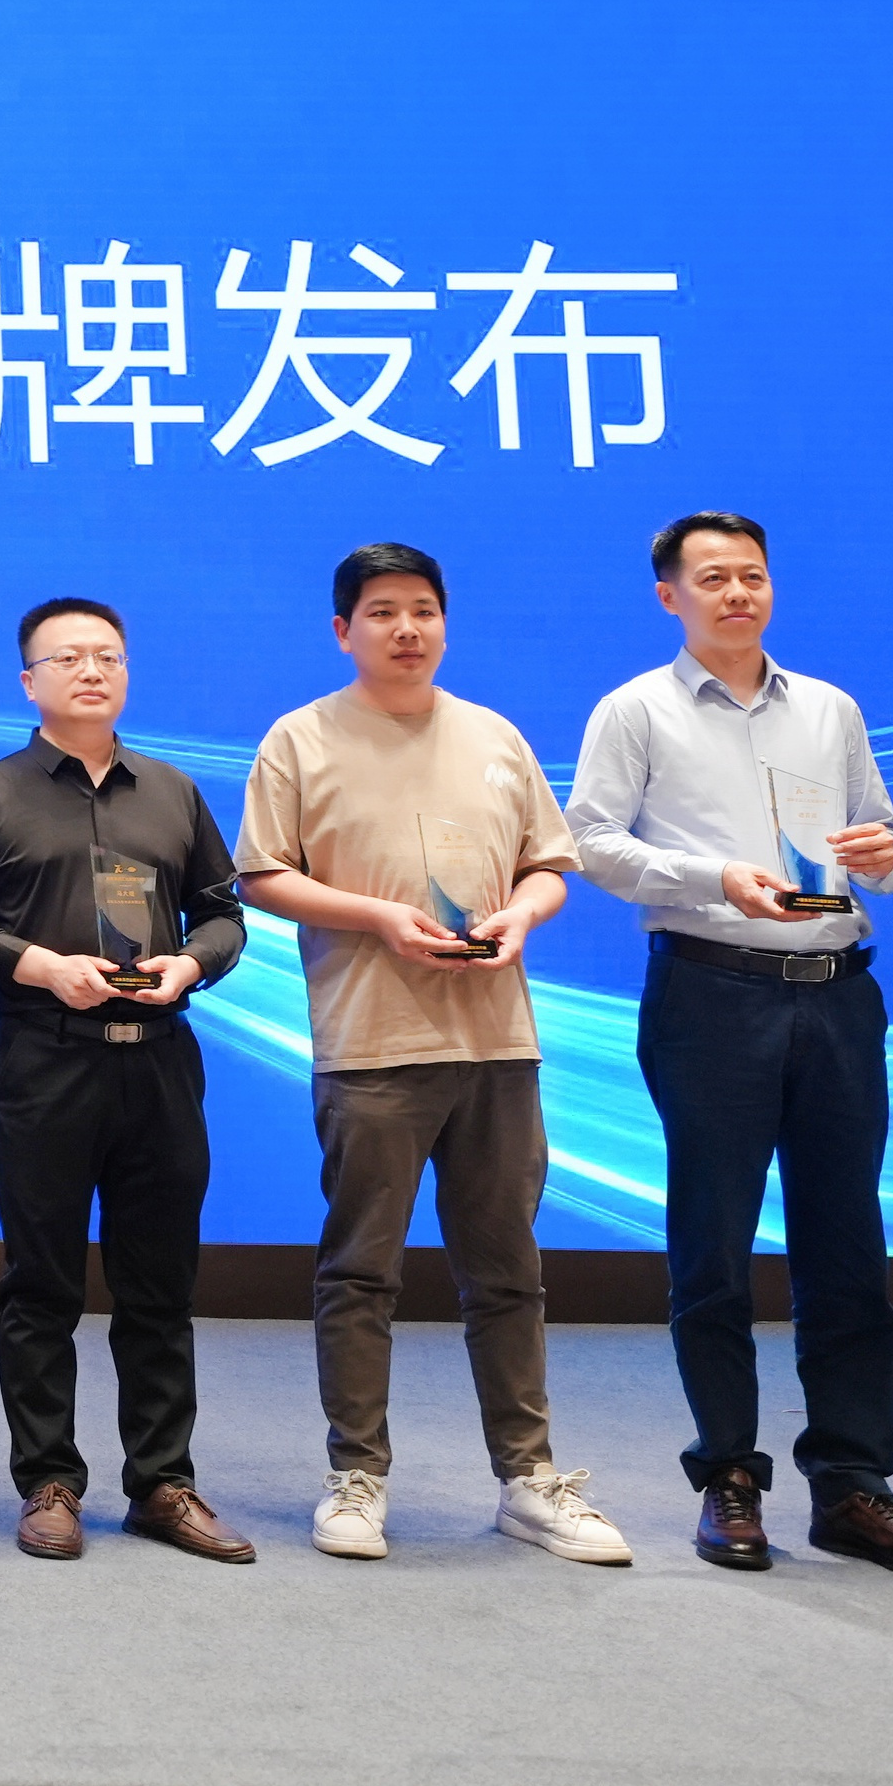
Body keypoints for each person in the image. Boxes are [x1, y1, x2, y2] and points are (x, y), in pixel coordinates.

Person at [567, 512, 893, 1579]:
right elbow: (589, 840)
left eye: (751, 574)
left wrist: (884, 858)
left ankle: (853, 1483)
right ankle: (729, 1477)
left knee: (850, 1247)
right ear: (670, 596)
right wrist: (713, 877)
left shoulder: (829, 706)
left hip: (837, 994)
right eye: (712, 578)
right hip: (712, 991)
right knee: (713, 1243)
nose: (737, 592)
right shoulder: (636, 708)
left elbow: (885, 851)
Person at [234, 541, 628, 1567]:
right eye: (381, 611)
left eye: (422, 609)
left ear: (445, 622)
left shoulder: (495, 734)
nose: (405, 628)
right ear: (343, 630)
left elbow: (549, 866)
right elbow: (262, 875)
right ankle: (356, 1476)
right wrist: (379, 916)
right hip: (371, 1044)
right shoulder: (300, 737)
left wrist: (521, 916)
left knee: (507, 1270)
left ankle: (528, 1478)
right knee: (361, 1270)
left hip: (496, 1041)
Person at [0, 597, 254, 1565]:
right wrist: (38, 963)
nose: (91, 670)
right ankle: (49, 1481)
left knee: (160, 1282)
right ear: (29, 680)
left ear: (127, 672)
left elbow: (223, 913)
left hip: (160, 1060)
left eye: (107, 655)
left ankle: (162, 1481)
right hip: (44, 1055)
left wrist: (192, 962)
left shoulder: (173, 791)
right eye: (67, 657)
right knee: (41, 1281)